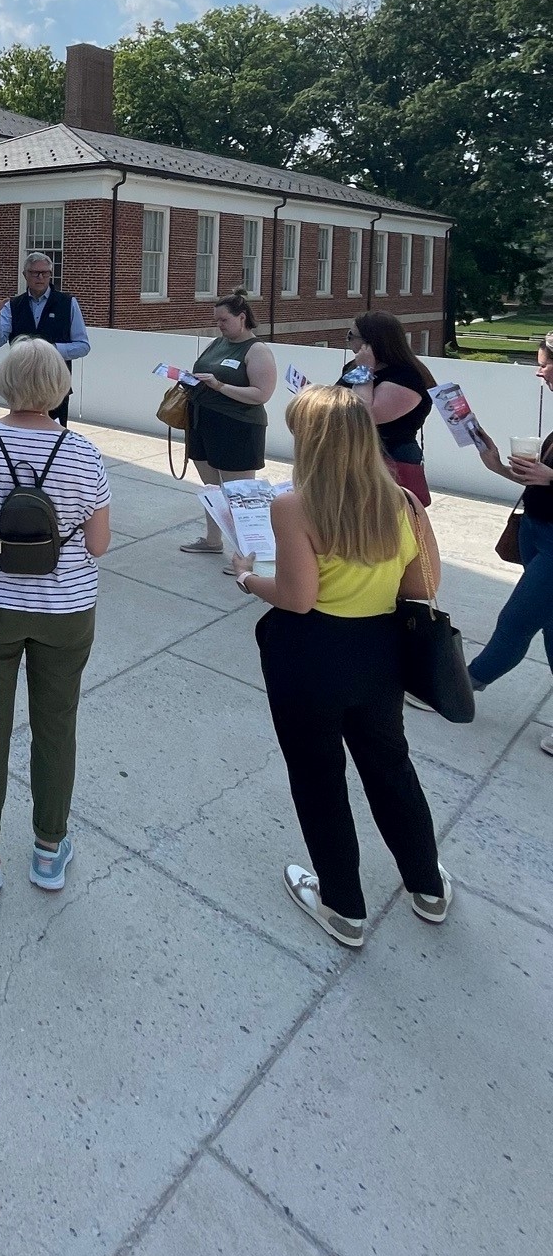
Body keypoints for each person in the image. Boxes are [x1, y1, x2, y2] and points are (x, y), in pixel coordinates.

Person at [231, 384, 451, 948]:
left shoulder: (294, 506)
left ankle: (345, 906)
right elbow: (423, 585)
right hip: (379, 654)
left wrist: (246, 576)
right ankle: (427, 884)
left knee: (317, 776)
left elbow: (297, 596)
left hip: (310, 655)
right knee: (391, 767)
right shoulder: (403, 502)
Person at [0, 338, 112, 896]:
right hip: (66, 609)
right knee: (57, 725)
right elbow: (100, 544)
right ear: (60, 386)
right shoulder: (85, 454)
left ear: (6, 382)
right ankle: (48, 849)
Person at [466, 332, 553, 752]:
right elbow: (536, 484)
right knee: (551, 627)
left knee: (515, 621)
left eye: (545, 363)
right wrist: (495, 463)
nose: (539, 370)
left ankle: (462, 686)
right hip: (536, 532)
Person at [179, 289, 277, 561]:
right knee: (213, 489)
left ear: (242, 317)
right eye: (217, 320)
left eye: (223, 320)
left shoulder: (256, 350)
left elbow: (262, 394)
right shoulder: (218, 343)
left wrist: (220, 386)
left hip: (239, 427)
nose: (218, 325)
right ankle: (213, 540)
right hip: (204, 422)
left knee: (240, 496)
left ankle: (246, 553)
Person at [0, 252, 91, 428]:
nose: (40, 277)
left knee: (55, 438)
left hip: (54, 385)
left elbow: (83, 346)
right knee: (20, 436)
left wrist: (48, 350)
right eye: (34, 273)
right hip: (20, 386)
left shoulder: (67, 303)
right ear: (25, 275)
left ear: (51, 274)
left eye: (45, 273)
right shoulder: (13, 305)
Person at [347, 311, 435, 506]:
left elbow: (363, 415)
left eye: (352, 336)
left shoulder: (407, 377)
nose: (348, 340)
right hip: (352, 455)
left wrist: (365, 371)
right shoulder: (355, 365)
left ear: (370, 342)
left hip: (390, 460)